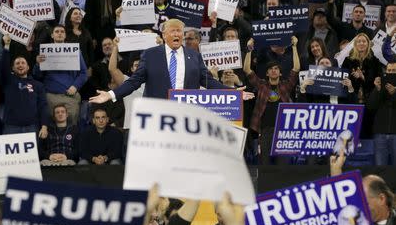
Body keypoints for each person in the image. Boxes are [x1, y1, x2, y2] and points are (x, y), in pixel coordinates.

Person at [89, 19, 234, 104]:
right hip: (158, 114)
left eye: (179, 31)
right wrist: (110, 95)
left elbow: (208, 81)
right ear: (164, 35)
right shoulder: (150, 55)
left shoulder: (194, 56)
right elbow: (133, 82)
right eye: (173, 31)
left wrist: (232, 93)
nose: (177, 34)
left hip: (186, 112)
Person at [243, 36, 300, 165]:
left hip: (283, 131)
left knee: (283, 165)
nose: (273, 71)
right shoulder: (262, 84)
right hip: (265, 130)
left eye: (276, 69)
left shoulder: (286, 85)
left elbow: (296, 68)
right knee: (264, 164)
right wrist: (249, 49)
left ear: (280, 73)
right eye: (270, 69)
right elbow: (247, 70)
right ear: (267, 73)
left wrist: (295, 47)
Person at [33, 25, 88, 126]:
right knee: (49, 127)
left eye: (62, 31)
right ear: (52, 35)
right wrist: (37, 64)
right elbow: (37, 76)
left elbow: (84, 73)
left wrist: (75, 86)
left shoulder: (75, 51)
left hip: (70, 96)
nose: (59, 33)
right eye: (57, 31)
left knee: (71, 127)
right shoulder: (44, 52)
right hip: (50, 96)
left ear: (65, 35)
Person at [1, 35, 49, 137]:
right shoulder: (9, 81)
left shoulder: (38, 85)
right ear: (13, 68)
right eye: (17, 63)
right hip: (11, 128)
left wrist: (44, 126)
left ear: (28, 67)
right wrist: (6, 45)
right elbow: (4, 67)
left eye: (23, 63)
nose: (20, 65)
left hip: (32, 127)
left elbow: (43, 106)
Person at [367, 62, 396, 165]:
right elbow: (370, 107)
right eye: (389, 71)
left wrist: (395, 94)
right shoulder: (379, 87)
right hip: (380, 134)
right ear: (385, 72)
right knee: (380, 168)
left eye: (394, 71)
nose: (391, 73)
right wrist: (377, 90)